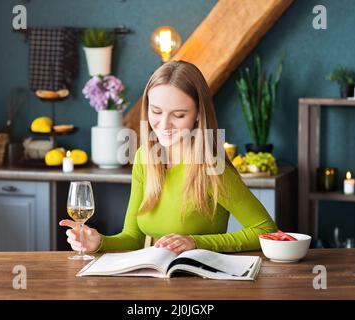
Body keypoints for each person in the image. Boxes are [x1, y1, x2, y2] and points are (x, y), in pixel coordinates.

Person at [59, 61, 277, 254]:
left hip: (201, 282)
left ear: (198, 114)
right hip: (153, 280)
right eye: (156, 111)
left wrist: (196, 243)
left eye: (179, 115)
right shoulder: (145, 158)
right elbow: (133, 237)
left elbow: (265, 230)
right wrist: (98, 243)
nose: (164, 125)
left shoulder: (211, 167)